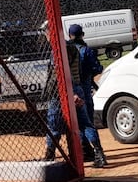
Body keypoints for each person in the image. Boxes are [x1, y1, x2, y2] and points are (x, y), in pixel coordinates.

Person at [41, 21, 108, 168]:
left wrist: (56, 92)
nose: (45, 36)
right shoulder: (74, 48)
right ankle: (99, 154)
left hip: (61, 92)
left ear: (50, 33)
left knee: (54, 124)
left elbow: (58, 76)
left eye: (46, 32)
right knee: (85, 123)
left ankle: (50, 154)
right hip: (77, 88)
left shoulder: (59, 49)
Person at [67, 24, 104, 159]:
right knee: (88, 122)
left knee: (76, 122)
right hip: (85, 89)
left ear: (70, 35)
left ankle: (84, 151)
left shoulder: (67, 49)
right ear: (82, 34)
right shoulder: (86, 50)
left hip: (71, 90)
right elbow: (98, 68)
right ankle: (97, 153)